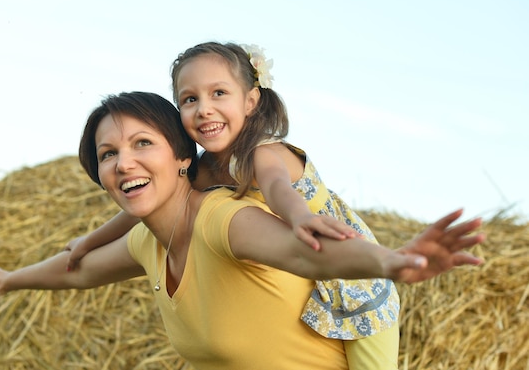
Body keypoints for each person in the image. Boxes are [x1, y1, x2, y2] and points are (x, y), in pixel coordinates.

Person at [0, 91, 485, 370]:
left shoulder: (221, 219)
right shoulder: (144, 240)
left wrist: (391, 262)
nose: (124, 163)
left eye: (141, 145)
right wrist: (7, 280)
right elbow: (76, 274)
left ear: (182, 157)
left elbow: (310, 257)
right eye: (108, 154)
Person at [65, 42, 397, 367]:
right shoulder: (201, 169)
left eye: (218, 93)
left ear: (251, 100)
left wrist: (298, 218)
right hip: (304, 272)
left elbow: (279, 188)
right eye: (190, 99)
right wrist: (87, 243)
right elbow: (140, 213)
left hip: (357, 278)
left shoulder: (264, 153)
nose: (204, 108)